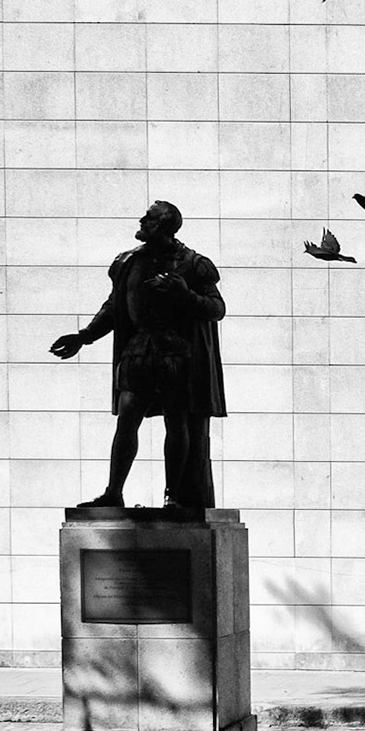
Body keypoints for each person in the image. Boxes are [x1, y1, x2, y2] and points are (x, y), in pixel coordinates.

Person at [50, 201, 227, 509]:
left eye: (151, 218)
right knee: (127, 419)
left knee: (177, 421)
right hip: (138, 353)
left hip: (177, 355)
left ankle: (175, 495)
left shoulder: (193, 263)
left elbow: (216, 308)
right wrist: (84, 336)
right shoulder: (128, 263)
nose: (143, 221)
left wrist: (183, 294)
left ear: (166, 226)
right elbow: (114, 308)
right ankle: (113, 492)